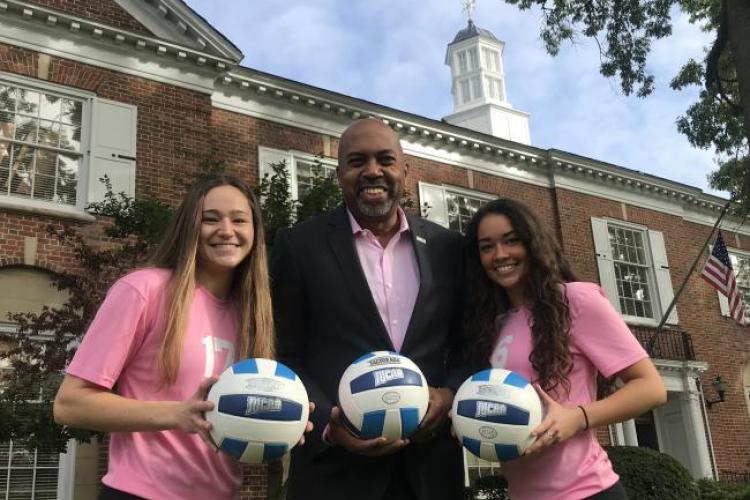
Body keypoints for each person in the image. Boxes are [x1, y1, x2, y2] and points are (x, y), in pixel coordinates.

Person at [270, 118, 467, 500]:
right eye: (357, 161)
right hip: (334, 474)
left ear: (404, 171)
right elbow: (285, 354)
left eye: (385, 160)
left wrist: (448, 395)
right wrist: (329, 422)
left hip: (430, 473)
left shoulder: (448, 248)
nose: (372, 171)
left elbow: (470, 344)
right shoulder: (299, 246)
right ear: (340, 171)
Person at [53, 174, 280, 500]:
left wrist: (282, 420)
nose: (227, 230)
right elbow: (70, 404)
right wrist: (176, 414)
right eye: (210, 219)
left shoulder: (252, 315)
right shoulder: (144, 290)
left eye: (239, 220)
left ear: (255, 232)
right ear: (189, 227)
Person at [463, 198, 667, 500]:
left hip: (586, 491)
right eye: (487, 246)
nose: (500, 254)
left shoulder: (575, 301)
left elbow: (651, 388)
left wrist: (577, 418)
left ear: (533, 243)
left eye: (511, 241)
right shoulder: (492, 325)